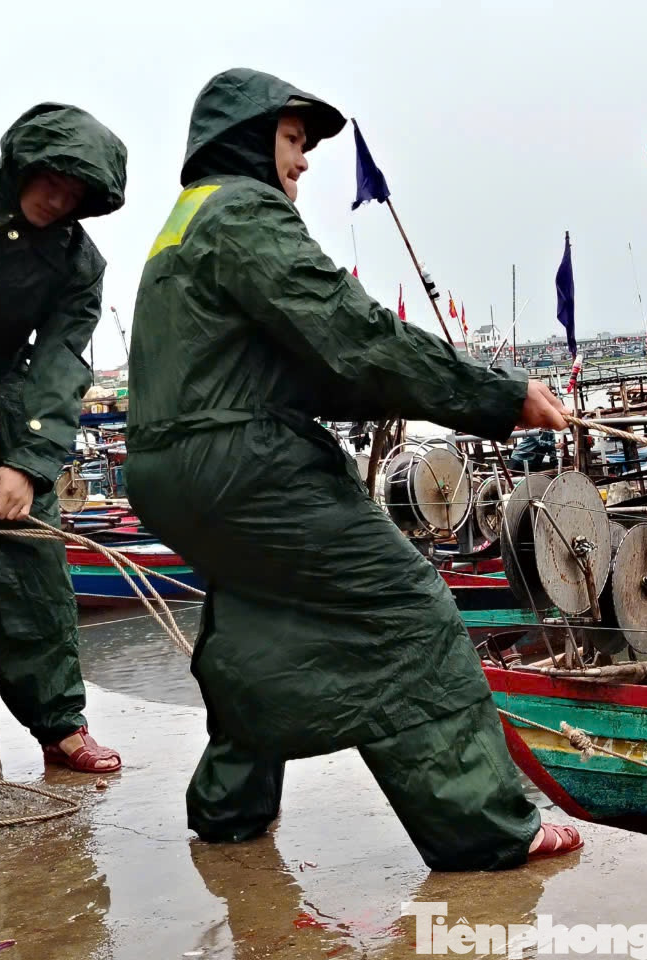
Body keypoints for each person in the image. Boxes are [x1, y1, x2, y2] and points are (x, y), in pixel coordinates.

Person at [124, 68, 581, 869]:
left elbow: (304, 365)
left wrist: (429, 396)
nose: (301, 164)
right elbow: (352, 332)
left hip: (169, 471)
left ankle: (230, 805)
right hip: (246, 462)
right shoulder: (243, 210)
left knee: (255, 617)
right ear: (246, 138)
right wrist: (499, 395)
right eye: (293, 142)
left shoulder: (183, 226)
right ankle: (484, 827)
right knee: (405, 609)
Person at [0, 103, 128, 772]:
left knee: (30, 560)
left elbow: (62, 360)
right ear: (23, 164)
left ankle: (60, 724)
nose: (58, 199)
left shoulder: (78, 261)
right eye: (52, 180)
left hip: (10, 391)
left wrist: (30, 465)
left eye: (77, 195)